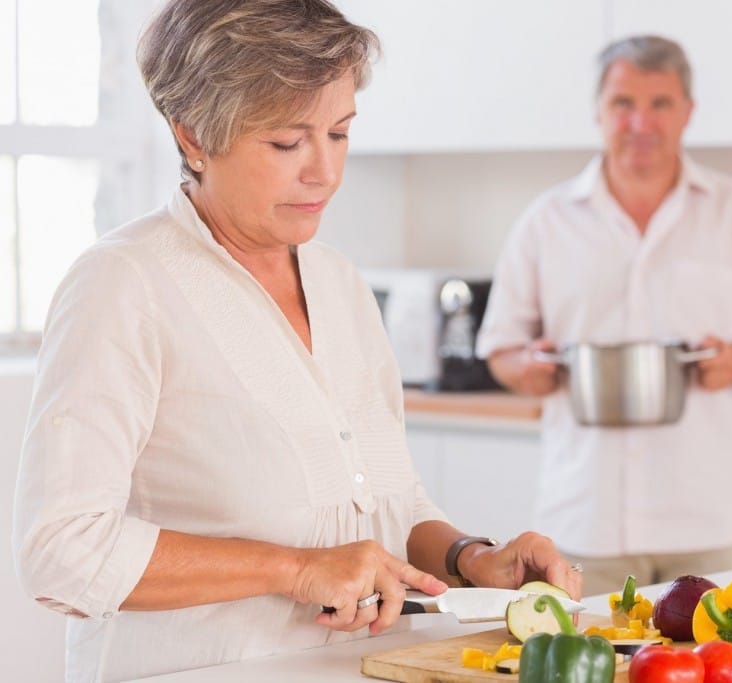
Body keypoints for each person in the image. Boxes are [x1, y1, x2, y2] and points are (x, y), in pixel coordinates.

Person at [11, 2, 580, 681]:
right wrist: (295, 568)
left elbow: (392, 502)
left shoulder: (339, 283)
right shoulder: (123, 284)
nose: (325, 171)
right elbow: (61, 549)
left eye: (339, 133)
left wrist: (468, 557)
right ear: (192, 134)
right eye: (287, 143)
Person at [477, 35, 732, 596]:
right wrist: (527, 367)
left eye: (660, 103)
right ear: (598, 111)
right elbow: (501, 350)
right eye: (622, 104)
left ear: (687, 112)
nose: (641, 122)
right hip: (583, 522)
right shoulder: (546, 221)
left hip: (713, 521)